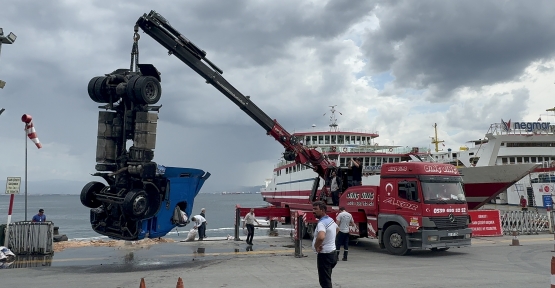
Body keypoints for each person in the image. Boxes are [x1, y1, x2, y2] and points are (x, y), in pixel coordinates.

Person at [312, 201, 338, 288]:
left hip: (325, 255)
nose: (313, 211)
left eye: (315, 209)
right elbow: (337, 229)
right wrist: (330, 240)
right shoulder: (330, 220)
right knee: (327, 277)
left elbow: (321, 237)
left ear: (322, 210)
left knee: (325, 282)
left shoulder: (322, 223)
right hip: (333, 253)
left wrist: (316, 246)